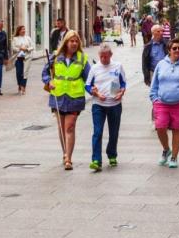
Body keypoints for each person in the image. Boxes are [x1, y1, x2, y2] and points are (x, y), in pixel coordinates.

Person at [42, 30, 90, 170]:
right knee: (61, 127)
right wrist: (48, 81)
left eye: (76, 41)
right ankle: (64, 153)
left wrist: (95, 89)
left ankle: (69, 158)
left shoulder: (82, 58)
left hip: (75, 97)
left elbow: (89, 77)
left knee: (70, 127)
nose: (74, 44)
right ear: (66, 42)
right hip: (58, 95)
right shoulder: (56, 56)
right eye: (71, 41)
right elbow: (45, 73)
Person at [149, 39, 179, 168]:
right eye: (174, 48)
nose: (177, 50)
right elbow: (154, 84)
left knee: (177, 129)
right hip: (162, 102)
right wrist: (154, 98)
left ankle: (174, 157)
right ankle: (166, 149)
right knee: (160, 127)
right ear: (169, 50)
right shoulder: (161, 64)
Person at [85, 43, 127, 171]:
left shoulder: (118, 66)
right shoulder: (95, 68)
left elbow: (123, 82)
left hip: (114, 104)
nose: (103, 59)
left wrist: (121, 92)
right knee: (97, 132)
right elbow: (87, 86)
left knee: (114, 132)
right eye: (101, 56)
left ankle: (112, 154)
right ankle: (96, 160)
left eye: (106, 57)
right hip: (99, 104)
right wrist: (95, 93)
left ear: (111, 55)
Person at [11, 25, 34, 95]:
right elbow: (13, 48)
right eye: (22, 29)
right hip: (18, 58)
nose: (24, 31)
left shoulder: (28, 38)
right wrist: (20, 49)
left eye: (24, 29)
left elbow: (32, 46)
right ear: (19, 31)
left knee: (25, 73)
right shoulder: (15, 39)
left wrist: (27, 49)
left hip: (27, 57)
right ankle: (19, 85)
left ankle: (23, 87)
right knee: (19, 72)